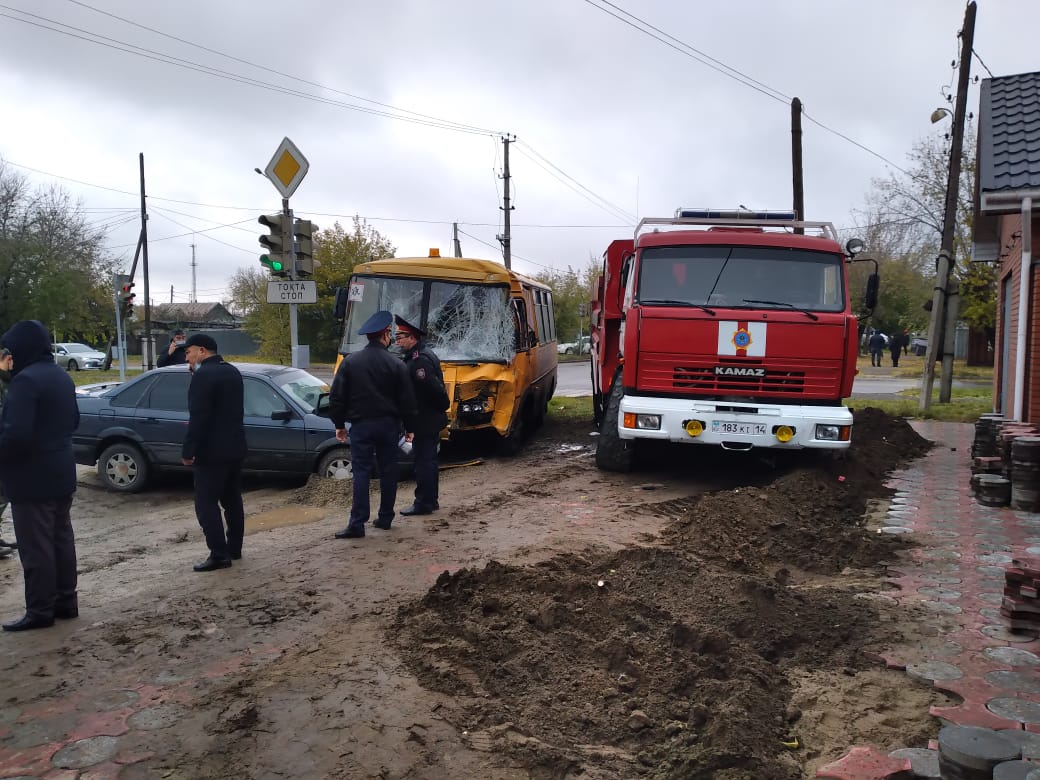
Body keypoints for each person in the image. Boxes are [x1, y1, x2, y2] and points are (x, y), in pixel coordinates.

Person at [0, 320, 80, 631]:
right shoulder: (61, 376)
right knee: (61, 540)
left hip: (31, 478)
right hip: (61, 472)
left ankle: (40, 610)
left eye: (11, 349)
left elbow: (15, 436)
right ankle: (66, 602)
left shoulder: (25, 381)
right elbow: (73, 420)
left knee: (36, 548)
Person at [328, 310, 417, 538]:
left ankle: (357, 524)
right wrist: (410, 429)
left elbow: (336, 397)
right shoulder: (396, 364)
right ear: (385, 335)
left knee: (361, 473)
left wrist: (339, 424)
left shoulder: (350, 362)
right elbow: (407, 400)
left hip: (361, 426)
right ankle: (385, 518)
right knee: (389, 471)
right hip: (389, 426)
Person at [181, 333, 246, 571]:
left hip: (211, 451)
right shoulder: (231, 371)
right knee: (232, 499)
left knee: (205, 503)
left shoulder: (203, 376)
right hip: (235, 447)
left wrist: (188, 450)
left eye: (188, 352)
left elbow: (199, 417)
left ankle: (218, 554)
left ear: (202, 350)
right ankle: (234, 548)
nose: (186, 357)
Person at [394, 315, 450, 516]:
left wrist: (443, 406)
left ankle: (423, 503)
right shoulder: (419, 356)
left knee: (423, 463)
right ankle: (430, 500)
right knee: (428, 461)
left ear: (412, 338)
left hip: (425, 420)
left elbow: (434, 390)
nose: (397, 341)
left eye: (400, 336)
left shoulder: (419, 362)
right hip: (428, 418)